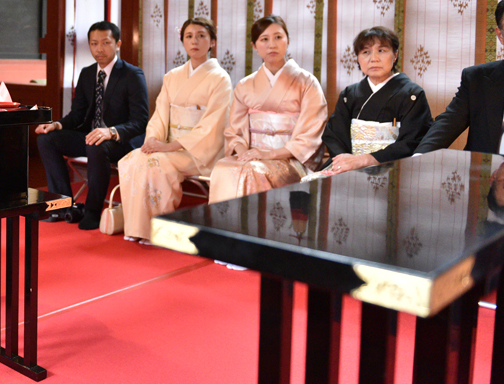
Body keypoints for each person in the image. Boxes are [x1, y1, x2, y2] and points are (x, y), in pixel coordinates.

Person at [117, 18, 232, 242]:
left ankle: (159, 229)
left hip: (198, 151)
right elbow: (160, 115)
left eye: (201, 36)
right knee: (135, 158)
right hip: (168, 146)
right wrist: (153, 140)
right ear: (183, 41)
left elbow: (212, 125)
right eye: (189, 36)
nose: (194, 41)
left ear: (212, 42)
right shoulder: (172, 76)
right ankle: (139, 226)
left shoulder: (220, 79)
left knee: (158, 163)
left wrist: (169, 147)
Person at [35, 21, 149, 230]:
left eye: (105, 43)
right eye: (94, 44)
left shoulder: (132, 75)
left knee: (96, 144)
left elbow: (140, 121)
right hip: (91, 137)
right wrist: (57, 125)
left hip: (121, 141)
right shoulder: (87, 73)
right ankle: (62, 206)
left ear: (118, 44)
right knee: (46, 139)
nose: (99, 49)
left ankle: (93, 211)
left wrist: (111, 132)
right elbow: (77, 115)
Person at [208, 15, 328, 203]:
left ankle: (253, 220)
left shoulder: (307, 82)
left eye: (278, 37)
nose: (272, 44)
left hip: (289, 159)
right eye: (264, 39)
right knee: (223, 168)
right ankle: (224, 221)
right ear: (254, 46)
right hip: (252, 155)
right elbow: (234, 132)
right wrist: (243, 153)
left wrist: (269, 154)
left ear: (288, 40)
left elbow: (310, 133)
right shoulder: (245, 85)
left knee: (253, 172)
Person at [416, 0, 504, 155]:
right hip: (489, 170)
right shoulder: (477, 78)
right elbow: (448, 124)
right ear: (500, 35)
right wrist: (419, 156)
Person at [322, 26, 432, 173]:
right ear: (357, 58)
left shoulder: (412, 95)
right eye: (365, 52)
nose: (374, 58)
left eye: (381, 50)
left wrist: (366, 160)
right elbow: (335, 135)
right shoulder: (349, 94)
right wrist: (346, 162)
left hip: (393, 169)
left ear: (395, 55)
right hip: (348, 169)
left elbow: (411, 141)